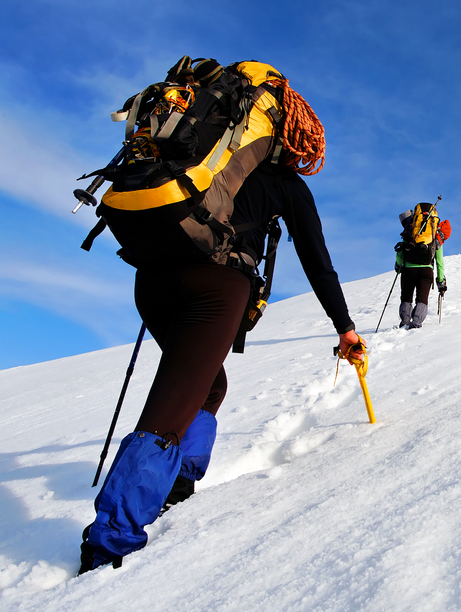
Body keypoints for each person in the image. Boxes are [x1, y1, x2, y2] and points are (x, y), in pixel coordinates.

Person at [78, 161, 362, 574]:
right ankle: (110, 542)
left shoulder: (201, 160)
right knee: (170, 411)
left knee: (209, 386)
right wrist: (345, 327)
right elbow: (316, 261)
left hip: (153, 281)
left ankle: (178, 482)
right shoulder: (284, 182)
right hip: (216, 284)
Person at [395, 203, 446, 328]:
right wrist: (441, 280)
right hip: (426, 270)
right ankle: (416, 323)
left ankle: (405, 322)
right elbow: (439, 261)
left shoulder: (411, 230)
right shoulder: (435, 236)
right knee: (422, 299)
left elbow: (401, 251)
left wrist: (398, 265)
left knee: (406, 297)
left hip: (409, 269)